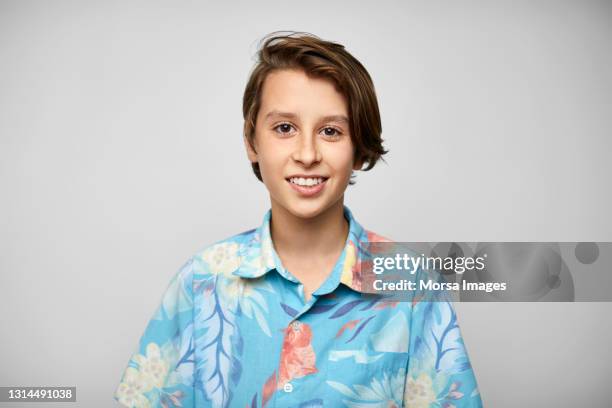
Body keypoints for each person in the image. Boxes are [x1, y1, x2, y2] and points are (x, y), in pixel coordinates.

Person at [114, 31, 483, 407]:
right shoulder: (201, 282)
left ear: (359, 149)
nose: (307, 154)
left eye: (330, 131)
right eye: (284, 128)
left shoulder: (414, 287)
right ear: (251, 142)